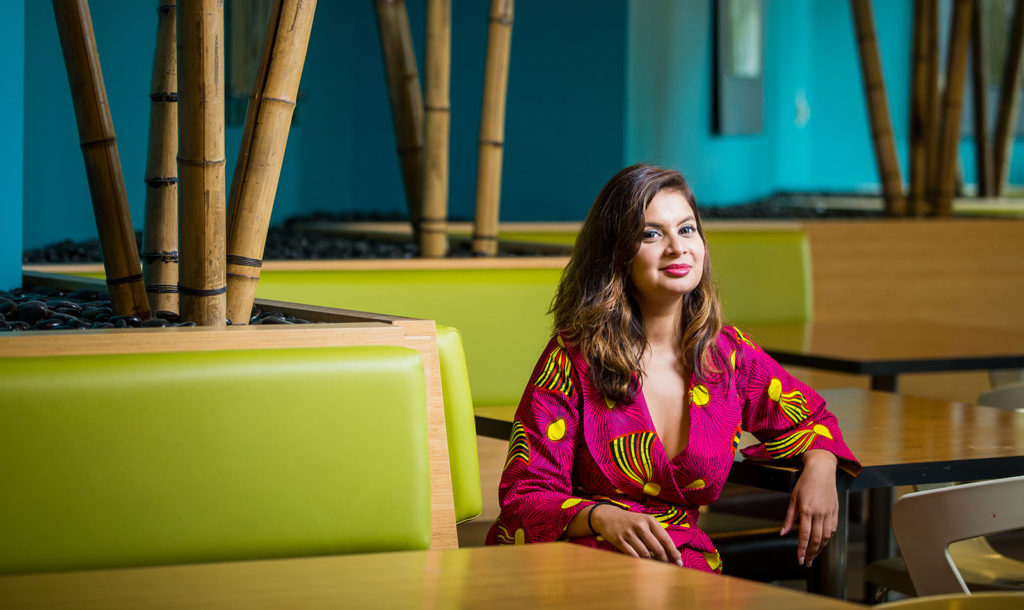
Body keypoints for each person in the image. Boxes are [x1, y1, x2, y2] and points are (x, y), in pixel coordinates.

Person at [485, 164, 861, 572]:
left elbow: (812, 417)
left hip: (683, 566)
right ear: (617, 251)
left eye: (687, 229)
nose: (677, 248)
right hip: (578, 564)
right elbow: (525, 495)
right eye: (651, 234)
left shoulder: (728, 357)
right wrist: (600, 517)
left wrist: (822, 468)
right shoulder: (572, 357)